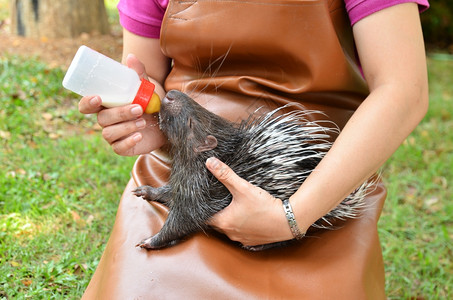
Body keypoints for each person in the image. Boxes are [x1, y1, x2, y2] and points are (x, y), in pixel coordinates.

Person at [78, 0, 429, 298]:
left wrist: (293, 215)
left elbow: (403, 90)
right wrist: (142, 119)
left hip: (321, 186)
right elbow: (149, 77)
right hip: (184, 166)